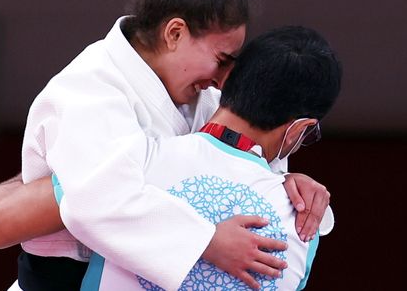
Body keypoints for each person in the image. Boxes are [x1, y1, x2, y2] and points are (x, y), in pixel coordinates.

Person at [0, 0, 331, 290]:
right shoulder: (91, 86)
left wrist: (287, 182)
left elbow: (241, 167)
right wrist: (207, 242)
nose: (222, 78)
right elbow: (97, 202)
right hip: (64, 277)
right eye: (221, 60)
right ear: (175, 33)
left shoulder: (203, 98)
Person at [73, 25, 342, 290]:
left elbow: (71, 200)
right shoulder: (300, 230)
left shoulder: (135, 161)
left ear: (226, 77)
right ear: (299, 129)